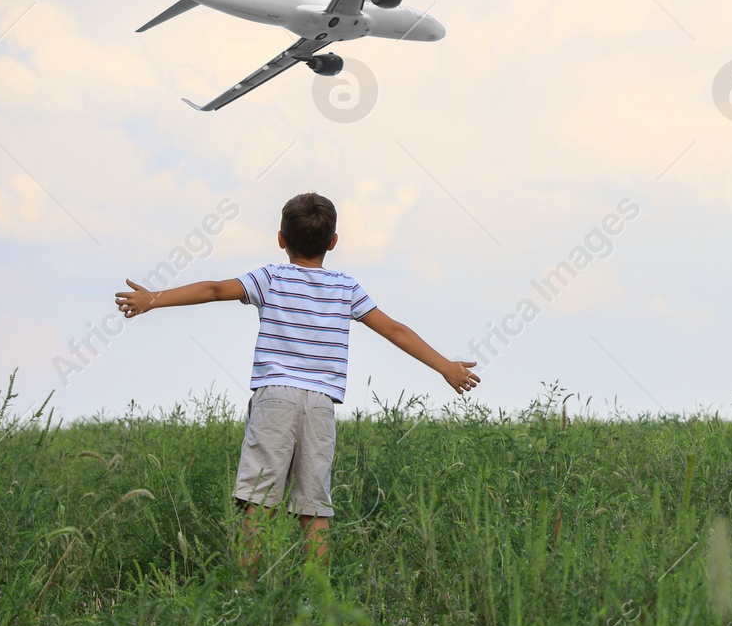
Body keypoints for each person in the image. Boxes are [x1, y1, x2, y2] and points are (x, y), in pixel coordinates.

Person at [114, 191, 479, 563]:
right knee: (314, 508)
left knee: (258, 502)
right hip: (321, 403)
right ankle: (316, 600)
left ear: (281, 239)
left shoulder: (271, 278)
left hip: (275, 398)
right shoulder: (345, 287)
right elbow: (395, 330)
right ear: (333, 243)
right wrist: (446, 367)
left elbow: (213, 289)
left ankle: (246, 594)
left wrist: (153, 299)